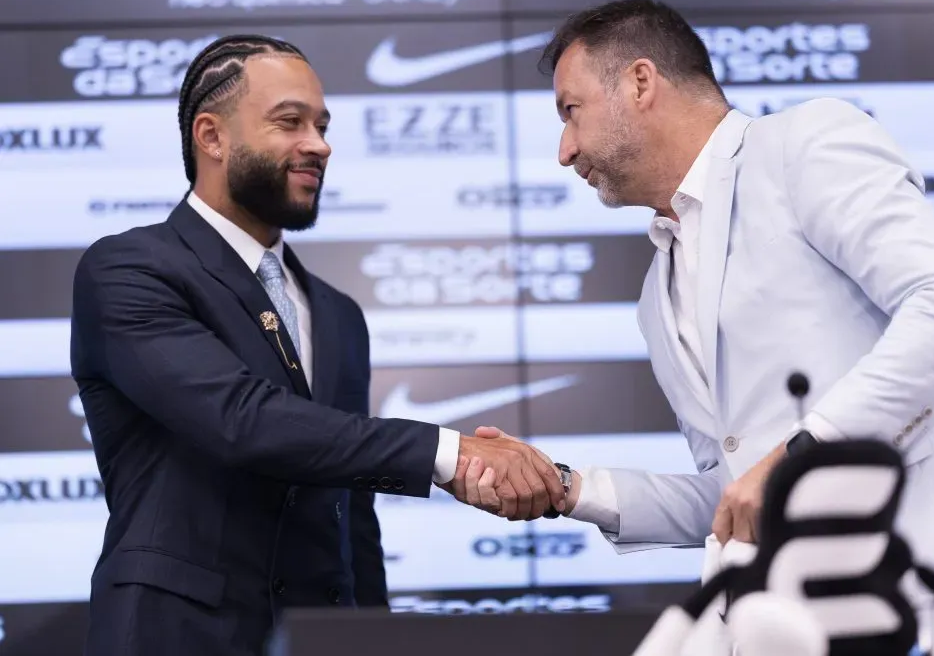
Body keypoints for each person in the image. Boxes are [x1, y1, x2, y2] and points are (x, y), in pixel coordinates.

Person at [462, 0, 934, 596]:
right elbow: (733, 489)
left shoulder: (802, 142)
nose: (565, 150)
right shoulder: (658, 294)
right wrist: (568, 488)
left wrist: (797, 455)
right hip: (828, 612)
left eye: (571, 111)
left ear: (641, 82)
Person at [69, 34, 565, 656]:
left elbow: (351, 511)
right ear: (211, 136)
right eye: (290, 122)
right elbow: (240, 420)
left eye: (323, 125)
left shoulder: (338, 313)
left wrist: (374, 635)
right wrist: (446, 452)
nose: (318, 145)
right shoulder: (129, 269)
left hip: (316, 638)